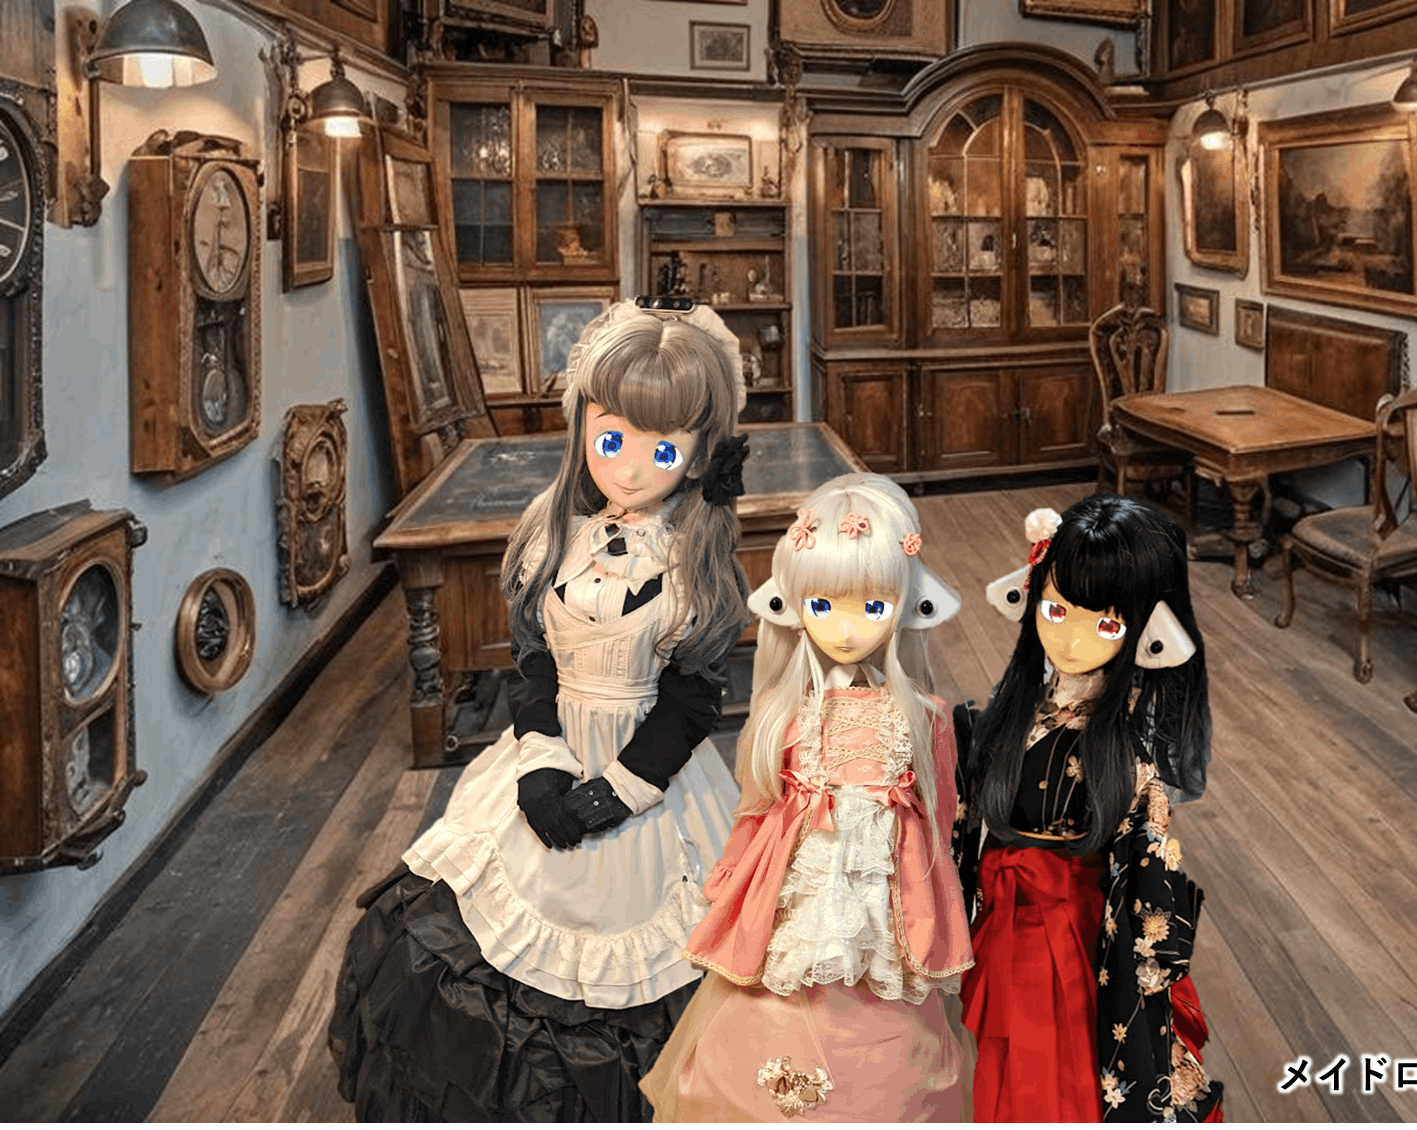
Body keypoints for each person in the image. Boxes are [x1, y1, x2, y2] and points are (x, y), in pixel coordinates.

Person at [329, 300, 755, 1121]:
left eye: (664, 450)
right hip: (545, 753)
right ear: (582, 427)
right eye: (612, 441)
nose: (631, 471)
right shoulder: (550, 532)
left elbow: (694, 698)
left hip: (651, 780)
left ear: (703, 454)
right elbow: (532, 659)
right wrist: (541, 763)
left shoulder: (697, 557)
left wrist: (619, 790)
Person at [640, 473, 973, 1122]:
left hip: (887, 903)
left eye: (872, 607)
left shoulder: (925, 716)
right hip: (793, 896)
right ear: (794, 606)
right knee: (770, 1024)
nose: (846, 630)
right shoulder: (784, 713)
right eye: (822, 605)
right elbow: (757, 806)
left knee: (889, 1042)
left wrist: (941, 910)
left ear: (905, 605)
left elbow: (939, 820)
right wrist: (731, 875)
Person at [958, 494, 1224, 1123]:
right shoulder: (1026, 698)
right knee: (1012, 1066)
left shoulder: (1129, 741)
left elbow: (1145, 870)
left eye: (1105, 625)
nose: (1069, 639)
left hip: (1078, 931)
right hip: (1005, 915)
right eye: (1055, 611)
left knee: (1066, 1073)